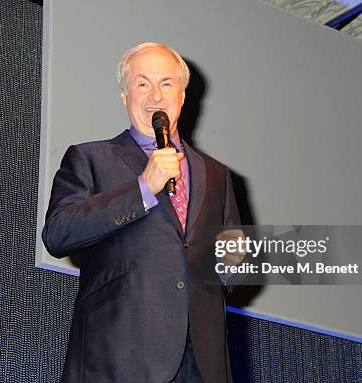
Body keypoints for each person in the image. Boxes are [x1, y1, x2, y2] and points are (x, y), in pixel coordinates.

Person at [43, 42, 242, 383]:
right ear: (124, 95)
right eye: (142, 83)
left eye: (166, 83)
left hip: (201, 364)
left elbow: (230, 265)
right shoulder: (90, 158)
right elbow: (59, 232)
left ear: (182, 94)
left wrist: (236, 261)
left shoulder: (216, 174)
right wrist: (143, 189)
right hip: (120, 356)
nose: (155, 95)